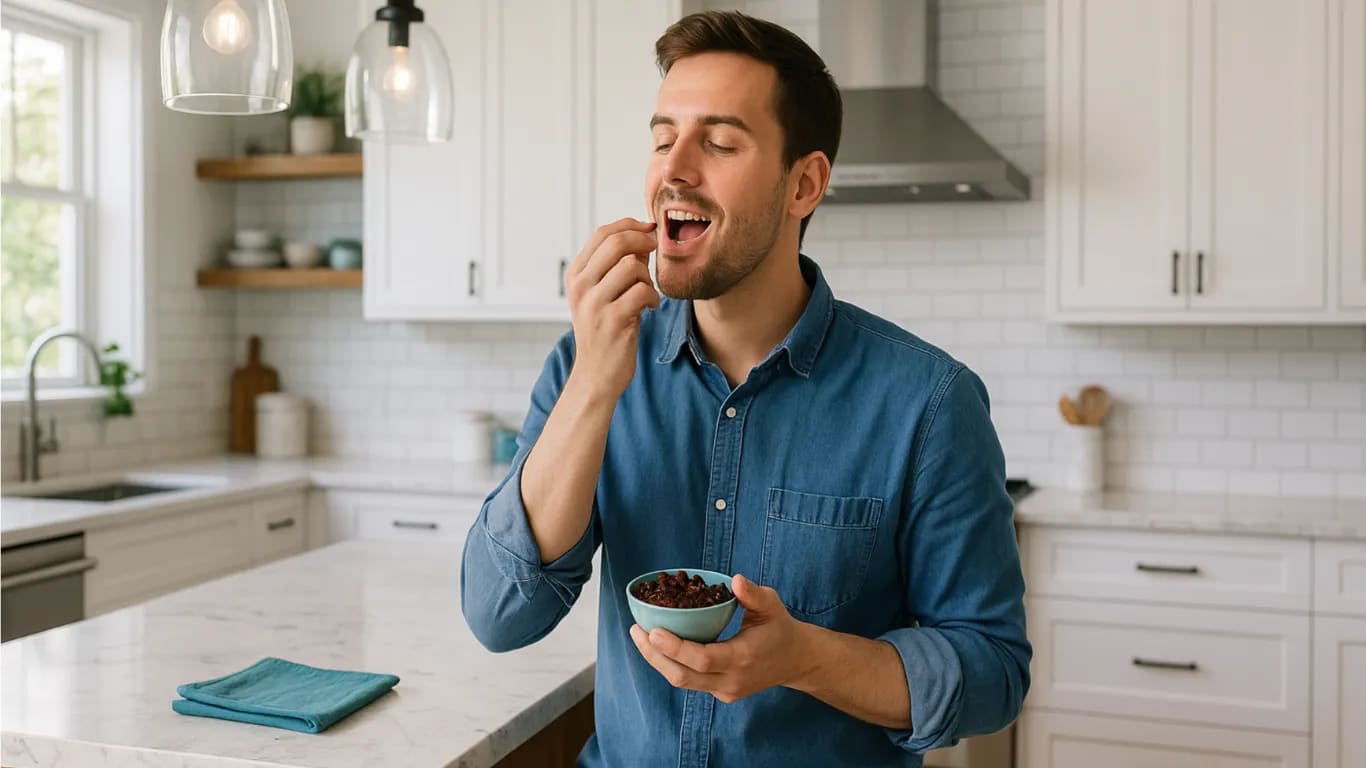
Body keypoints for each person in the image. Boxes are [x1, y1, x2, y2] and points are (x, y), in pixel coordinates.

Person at [461, 10, 1029, 767]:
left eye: (719, 142)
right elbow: (500, 616)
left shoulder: (928, 403)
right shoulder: (585, 364)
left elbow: (991, 672)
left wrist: (805, 657)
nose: (674, 168)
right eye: (663, 138)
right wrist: (596, 384)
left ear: (804, 184)